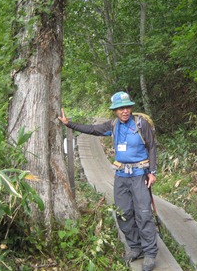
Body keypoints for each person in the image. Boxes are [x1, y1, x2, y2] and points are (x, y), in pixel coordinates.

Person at [58, 91, 158, 271]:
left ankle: (150, 253)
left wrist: (152, 172)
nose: (125, 111)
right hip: (121, 176)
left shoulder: (141, 124)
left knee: (143, 213)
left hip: (139, 174)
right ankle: (135, 248)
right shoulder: (113, 125)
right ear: (115, 111)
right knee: (123, 213)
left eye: (127, 107)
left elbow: (151, 147)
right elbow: (92, 129)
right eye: (120, 108)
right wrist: (69, 124)